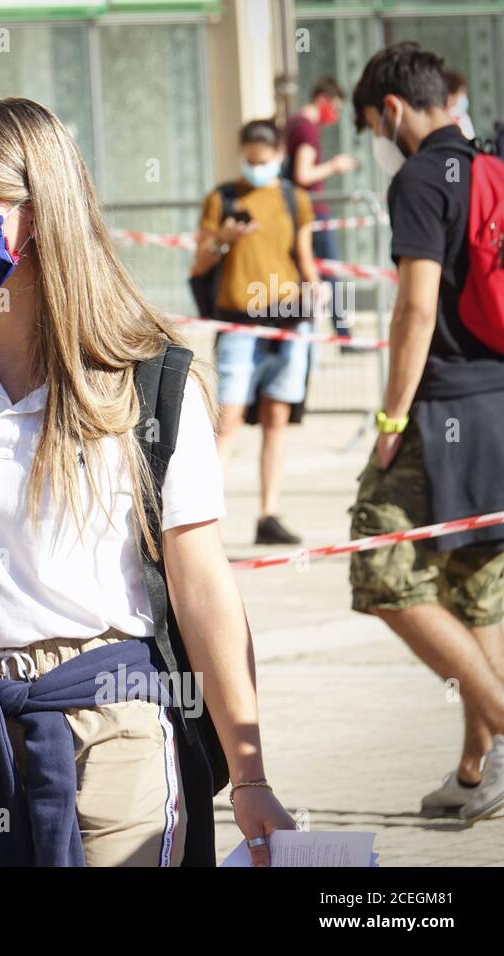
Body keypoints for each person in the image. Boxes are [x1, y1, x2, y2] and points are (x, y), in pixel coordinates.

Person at [0, 98, 294, 868]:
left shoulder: (149, 380)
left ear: (41, 211)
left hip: (112, 727)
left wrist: (251, 776)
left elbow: (200, 588)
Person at [350, 42, 504, 824]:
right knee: (475, 591)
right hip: (498, 403)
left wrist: (388, 419)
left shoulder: (418, 177)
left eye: (371, 125)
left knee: (378, 564)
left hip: (439, 407)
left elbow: (415, 309)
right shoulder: (490, 163)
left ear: (392, 111)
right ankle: (480, 773)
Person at [192, 119, 323, 546]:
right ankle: (199, 517)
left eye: (263, 162)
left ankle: (268, 513)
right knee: (227, 420)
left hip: (287, 320)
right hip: (239, 322)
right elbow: (199, 266)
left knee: (276, 418)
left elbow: (303, 255)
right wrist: (223, 239)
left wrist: (316, 288)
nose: (255, 168)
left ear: (279, 156)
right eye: (249, 161)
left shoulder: (293, 198)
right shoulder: (222, 198)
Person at [284, 76, 359, 342]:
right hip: (313, 210)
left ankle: (309, 330)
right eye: (335, 108)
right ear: (323, 100)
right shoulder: (307, 128)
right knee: (328, 271)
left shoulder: (294, 122)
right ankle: (343, 335)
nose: (335, 115)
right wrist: (335, 166)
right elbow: (303, 174)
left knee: (308, 271)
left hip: (302, 211)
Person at [443, 71, 476, 141]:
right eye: (461, 93)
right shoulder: (441, 118)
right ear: (450, 94)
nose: (463, 98)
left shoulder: (462, 117)